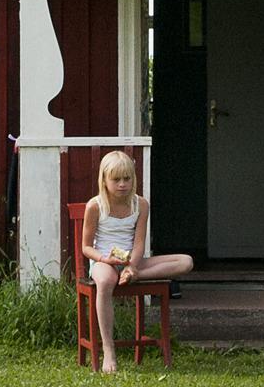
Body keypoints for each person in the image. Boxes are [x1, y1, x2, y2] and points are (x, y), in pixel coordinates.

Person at [78, 150, 194, 373]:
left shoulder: (140, 204)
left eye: (127, 179)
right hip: (104, 261)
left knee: (186, 261)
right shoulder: (95, 205)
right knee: (104, 282)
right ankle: (109, 350)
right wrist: (105, 259)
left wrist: (132, 266)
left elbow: (139, 243)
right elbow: (86, 247)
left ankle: (136, 276)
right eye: (116, 179)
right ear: (104, 180)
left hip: (133, 261)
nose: (122, 184)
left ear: (134, 179)